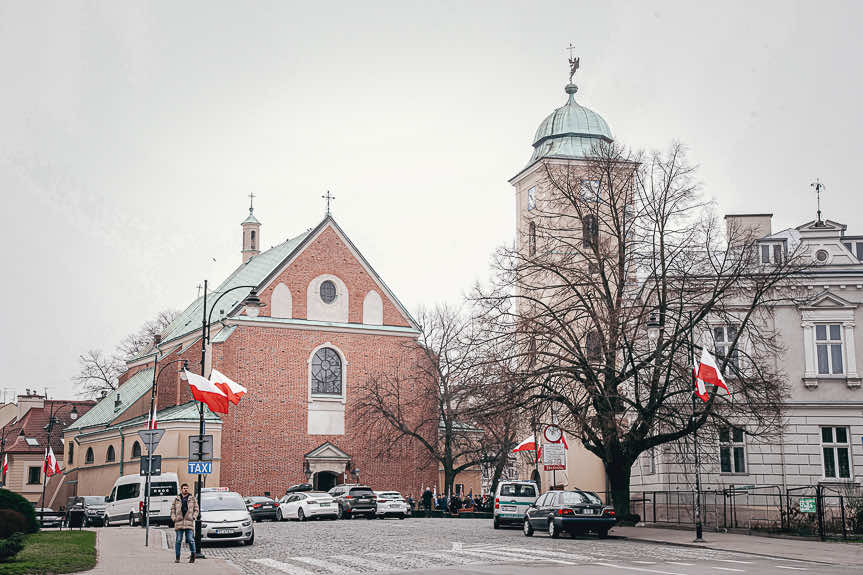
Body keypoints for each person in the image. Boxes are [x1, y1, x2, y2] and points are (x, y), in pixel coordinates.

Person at [170, 483, 198, 563]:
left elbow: (196, 509)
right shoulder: (176, 499)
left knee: (190, 540)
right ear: (181, 489)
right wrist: (174, 518)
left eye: (187, 488)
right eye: (184, 488)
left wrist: (194, 516)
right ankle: (177, 557)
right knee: (178, 540)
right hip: (179, 522)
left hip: (189, 522)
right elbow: (172, 510)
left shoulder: (192, 499)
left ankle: (193, 555)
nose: (186, 489)